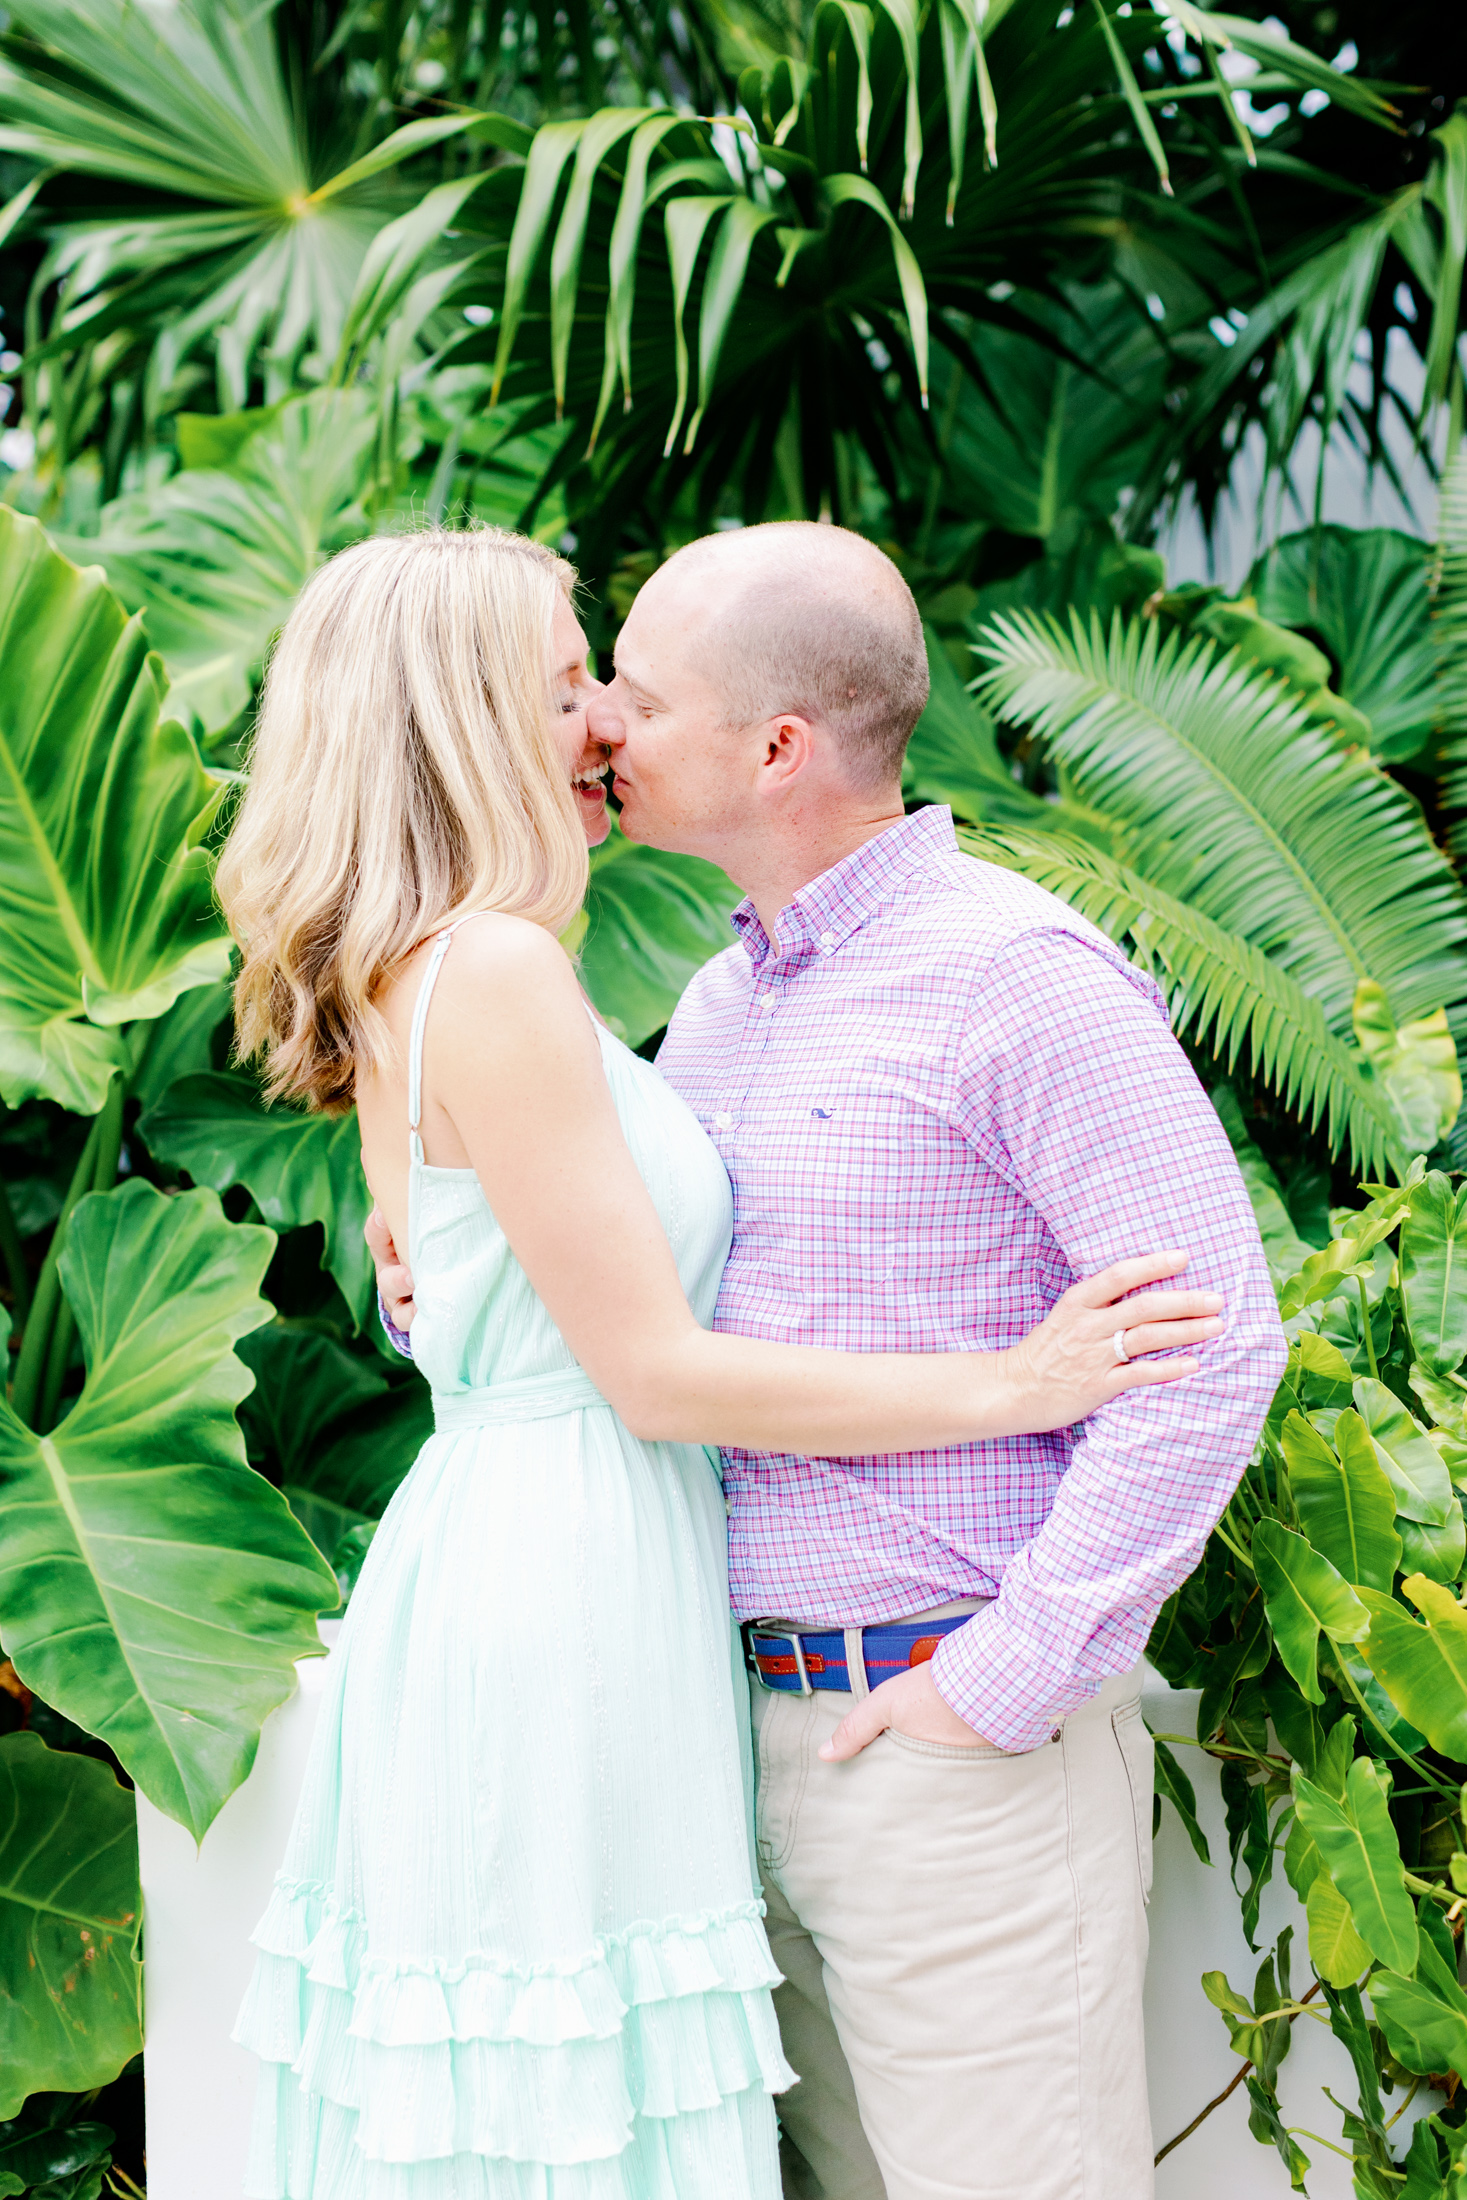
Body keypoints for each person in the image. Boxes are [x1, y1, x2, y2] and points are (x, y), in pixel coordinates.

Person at [218, 525, 1222, 2200]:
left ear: (776, 748)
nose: (600, 724)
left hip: (913, 1724)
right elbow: (643, 1352)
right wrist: (1007, 1384)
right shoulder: (677, 994)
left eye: (620, 690)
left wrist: (1003, 1682)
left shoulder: (1011, 978)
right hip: (674, 1684)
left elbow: (1208, 1347)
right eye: (566, 689)